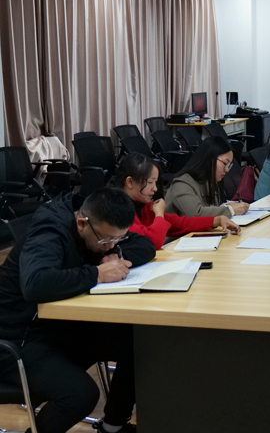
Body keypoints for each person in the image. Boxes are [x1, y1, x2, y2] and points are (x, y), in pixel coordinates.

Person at [0, 188, 157, 433]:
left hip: (56, 327)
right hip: (16, 339)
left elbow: (146, 245)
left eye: (117, 239)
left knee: (139, 342)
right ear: (82, 224)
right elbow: (36, 284)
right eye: (106, 240)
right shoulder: (49, 232)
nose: (110, 245)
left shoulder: (100, 223)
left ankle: (113, 427)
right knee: (80, 395)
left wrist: (116, 253)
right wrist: (96, 274)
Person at [110, 153, 240, 249]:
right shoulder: (118, 211)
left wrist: (216, 220)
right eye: (150, 182)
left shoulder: (143, 205)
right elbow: (153, 241)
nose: (155, 189)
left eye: (155, 182)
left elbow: (180, 223)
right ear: (130, 182)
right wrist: (159, 214)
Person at [165, 136, 250, 217]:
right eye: (225, 163)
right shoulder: (181, 183)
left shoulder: (211, 181)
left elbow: (211, 208)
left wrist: (227, 206)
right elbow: (196, 214)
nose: (227, 170)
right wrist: (230, 210)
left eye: (229, 165)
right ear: (209, 159)